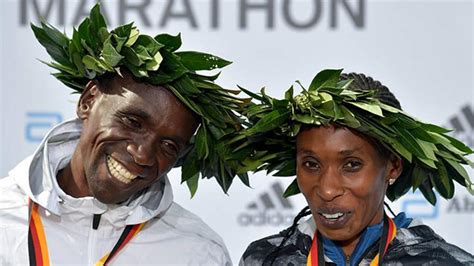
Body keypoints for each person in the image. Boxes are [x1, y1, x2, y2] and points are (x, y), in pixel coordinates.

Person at [0, 4, 248, 265]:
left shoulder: (197, 251)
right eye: (133, 122)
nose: (142, 155)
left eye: (168, 145)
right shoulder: (5, 213)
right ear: (88, 101)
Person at [236, 69, 474, 265]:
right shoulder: (265, 259)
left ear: (393, 167)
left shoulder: (442, 262)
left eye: (351, 165)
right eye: (311, 164)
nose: (327, 190)